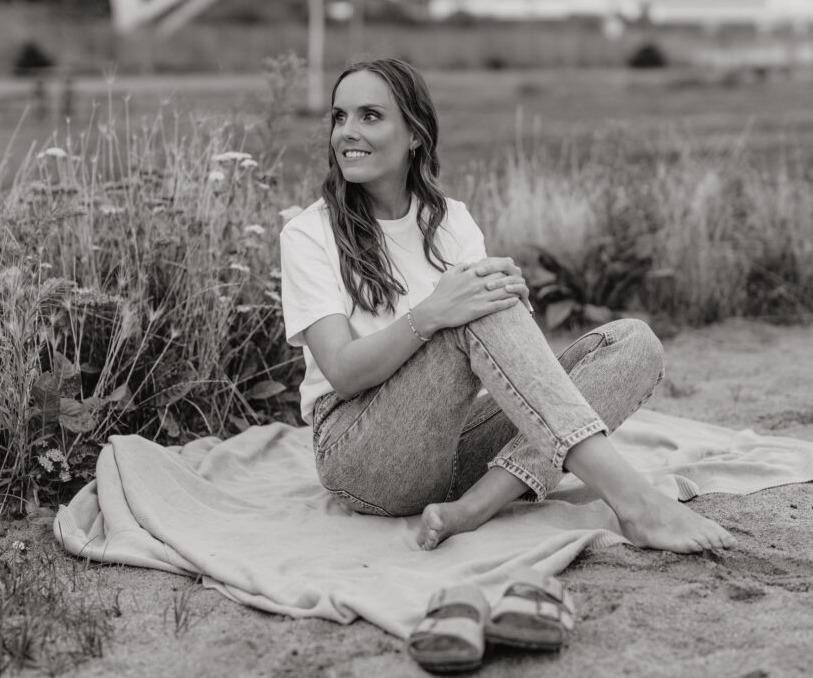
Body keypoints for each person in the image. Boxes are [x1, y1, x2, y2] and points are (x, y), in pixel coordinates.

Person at [278, 57, 734, 554]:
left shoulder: (450, 221)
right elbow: (342, 372)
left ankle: (475, 506)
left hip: (452, 441)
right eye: (339, 117)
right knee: (470, 305)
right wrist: (433, 313)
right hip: (362, 455)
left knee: (633, 343)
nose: (347, 131)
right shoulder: (309, 234)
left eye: (369, 116)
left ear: (415, 134)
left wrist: (513, 299)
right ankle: (636, 504)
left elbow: (505, 353)